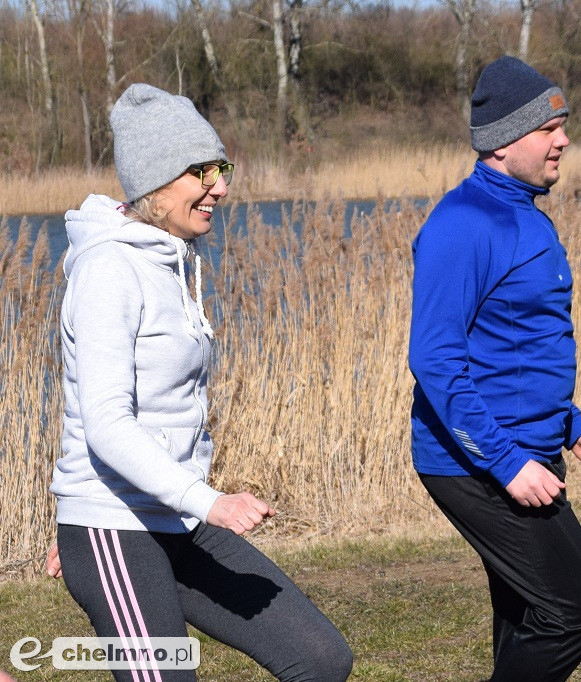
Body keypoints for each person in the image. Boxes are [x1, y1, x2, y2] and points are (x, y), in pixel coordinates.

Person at [48, 84, 353, 682]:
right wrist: (207, 502)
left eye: (222, 167)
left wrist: (193, 503)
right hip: (115, 526)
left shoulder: (170, 261)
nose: (221, 186)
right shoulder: (109, 269)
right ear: (154, 182)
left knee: (320, 658)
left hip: (176, 521)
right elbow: (106, 424)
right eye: (200, 171)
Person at [408, 56, 581, 681]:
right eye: (547, 128)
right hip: (476, 461)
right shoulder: (463, 224)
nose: (563, 140)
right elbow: (436, 358)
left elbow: (520, 347)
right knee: (578, 607)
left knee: (530, 613)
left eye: (563, 125)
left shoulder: (525, 214)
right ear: (503, 140)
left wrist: (570, 426)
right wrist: (505, 463)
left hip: (529, 447)